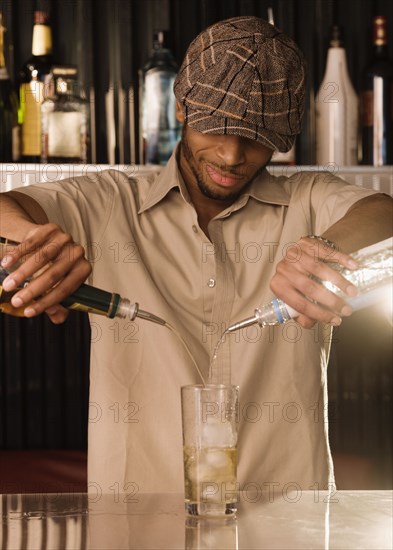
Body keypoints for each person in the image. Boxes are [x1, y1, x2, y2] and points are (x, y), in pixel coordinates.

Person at [0, 16, 392, 496]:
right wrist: (32, 244)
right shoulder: (109, 202)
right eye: (217, 128)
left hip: (291, 526)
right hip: (137, 527)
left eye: (256, 137)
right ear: (182, 107)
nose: (231, 156)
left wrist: (327, 249)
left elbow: (381, 211)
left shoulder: (308, 201)